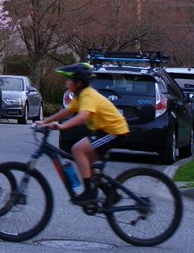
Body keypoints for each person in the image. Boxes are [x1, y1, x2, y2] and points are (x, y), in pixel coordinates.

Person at [36, 62, 130, 204]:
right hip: (103, 130)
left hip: (114, 131)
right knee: (88, 165)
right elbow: (66, 112)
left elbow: (83, 116)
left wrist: (62, 127)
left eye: (69, 80)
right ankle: (111, 193)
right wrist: (43, 122)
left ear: (78, 82)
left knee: (78, 149)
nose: (66, 83)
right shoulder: (80, 96)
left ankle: (88, 193)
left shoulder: (88, 96)